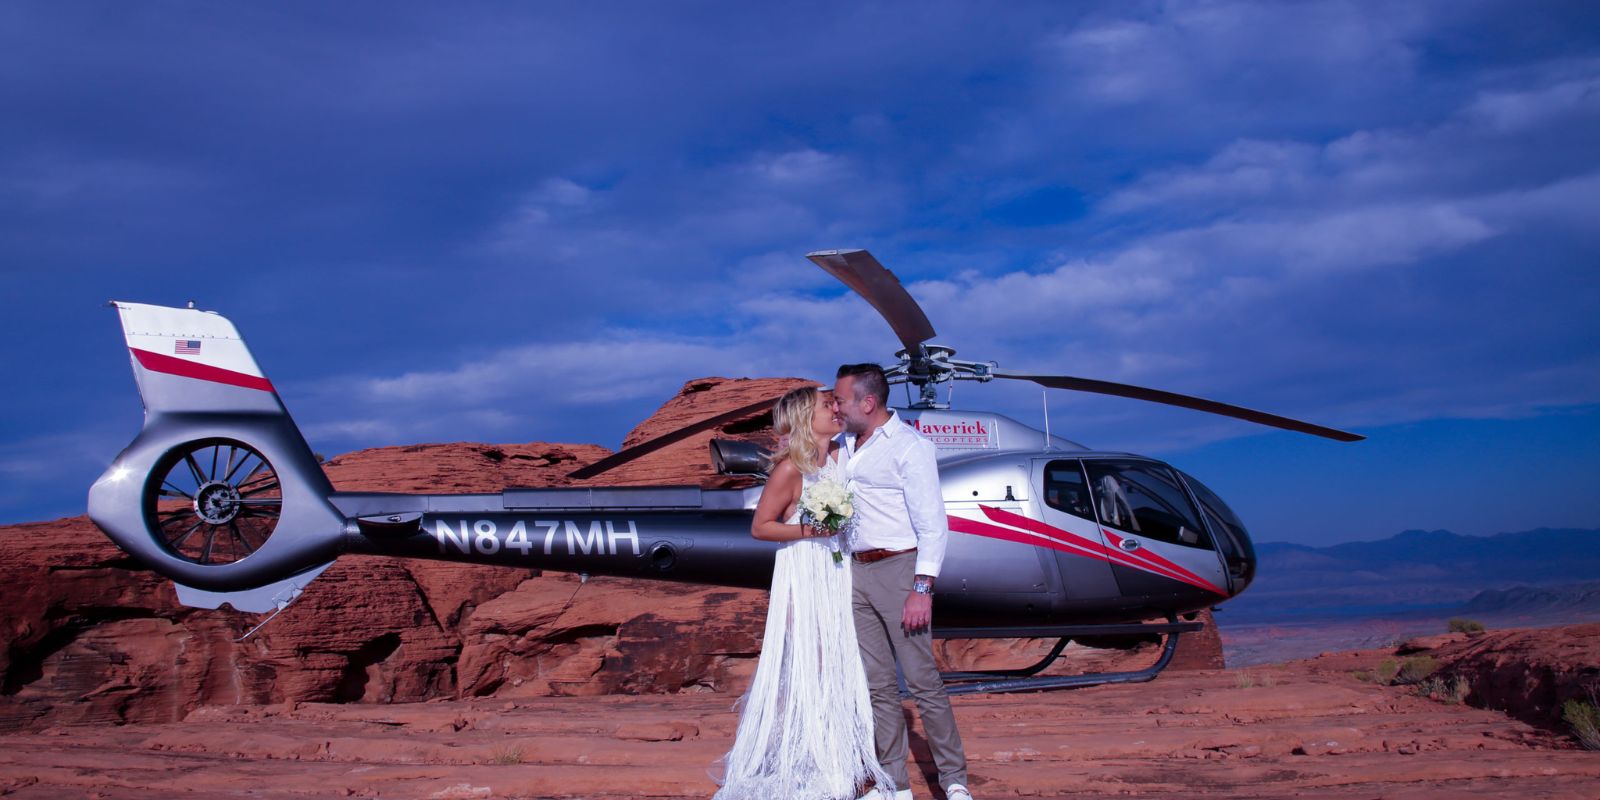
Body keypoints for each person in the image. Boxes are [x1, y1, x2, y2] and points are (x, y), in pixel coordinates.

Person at [713, 386, 894, 800]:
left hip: (839, 569)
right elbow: (761, 527)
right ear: (802, 420)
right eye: (825, 406)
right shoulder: (789, 470)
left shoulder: (841, 457)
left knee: (846, 659)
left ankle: (852, 760)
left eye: (834, 404)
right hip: (805, 571)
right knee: (813, 663)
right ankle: (822, 763)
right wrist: (808, 529)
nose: (835, 410)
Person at [832, 363, 972, 800]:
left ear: (867, 403)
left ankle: (954, 781)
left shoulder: (911, 447)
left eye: (840, 400)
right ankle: (894, 784)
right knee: (877, 685)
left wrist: (922, 588)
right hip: (854, 571)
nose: (835, 407)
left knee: (922, 681)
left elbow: (933, 525)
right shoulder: (844, 444)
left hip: (899, 570)